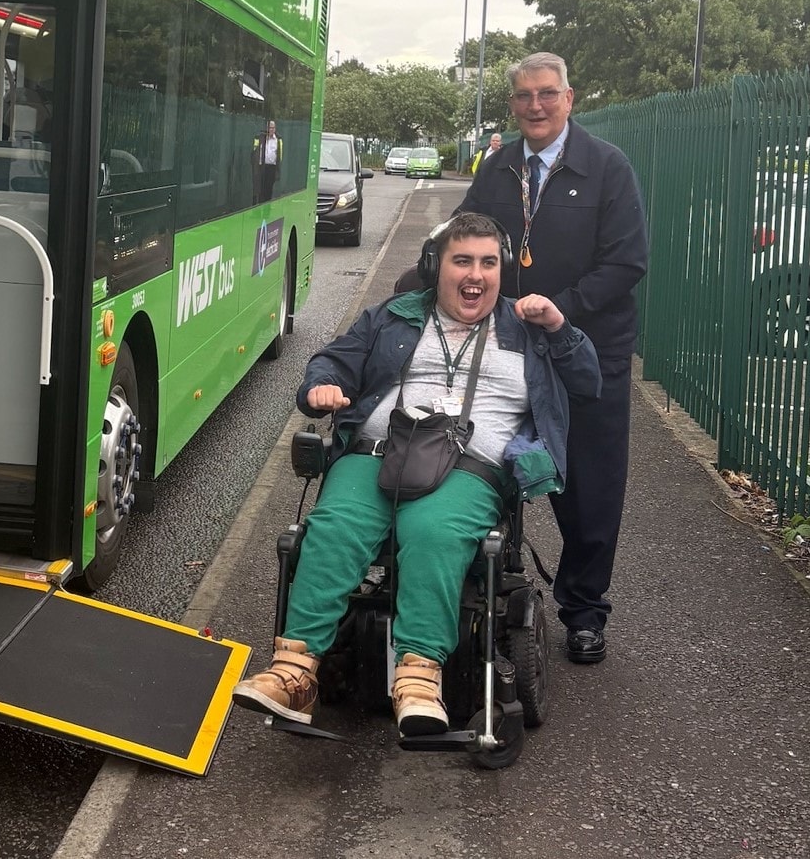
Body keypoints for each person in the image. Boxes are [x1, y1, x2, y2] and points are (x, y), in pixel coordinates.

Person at [231, 212, 601, 734]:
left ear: (502, 269)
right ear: (435, 267)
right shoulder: (393, 316)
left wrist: (561, 327)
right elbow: (332, 361)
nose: (476, 275)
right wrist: (321, 387)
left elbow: (588, 383)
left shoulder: (529, 327)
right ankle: (294, 672)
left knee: (432, 532)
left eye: (488, 263)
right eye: (462, 261)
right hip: (376, 452)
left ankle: (420, 679)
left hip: (471, 466)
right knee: (334, 527)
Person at [459, 51, 648, 664]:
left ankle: (584, 610)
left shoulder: (607, 167)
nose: (535, 106)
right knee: (477, 457)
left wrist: (559, 309)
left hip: (587, 352)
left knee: (590, 486)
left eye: (547, 93)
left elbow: (627, 262)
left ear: (569, 98)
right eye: (523, 96)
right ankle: (477, 585)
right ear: (513, 104)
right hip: (508, 346)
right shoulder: (498, 167)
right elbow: (464, 238)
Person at [252, 119, 282, 203]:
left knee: (268, 190)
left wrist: (277, 170)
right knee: (259, 189)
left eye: (273, 128)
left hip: (271, 168)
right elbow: (254, 152)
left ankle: (267, 206)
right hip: (261, 167)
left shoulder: (278, 140)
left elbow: (279, 155)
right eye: (269, 128)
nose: (271, 130)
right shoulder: (260, 138)